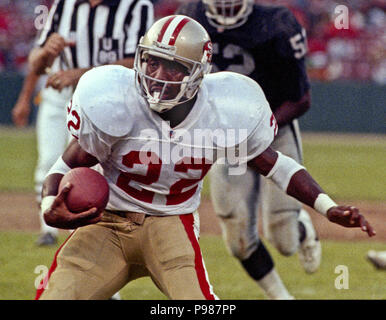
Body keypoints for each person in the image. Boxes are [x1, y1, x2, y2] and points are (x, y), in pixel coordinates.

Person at [35, 15, 375, 300]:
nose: (156, 75)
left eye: (172, 66)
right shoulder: (112, 97)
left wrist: (327, 207)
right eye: (152, 60)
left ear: (198, 72)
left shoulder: (225, 110)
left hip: (170, 226)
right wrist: (50, 204)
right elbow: (68, 163)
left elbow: (276, 165)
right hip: (105, 225)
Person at [176, 0, 320, 299]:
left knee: (285, 241)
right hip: (226, 135)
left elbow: (302, 99)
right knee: (238, 239)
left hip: (274, 128)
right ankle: (280, 296)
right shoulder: (189, 16)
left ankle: (302, 228)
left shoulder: (278, 23)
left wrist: (261, 129)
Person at [12, 0, 154, 246]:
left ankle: (84, 231)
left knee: (89, 168)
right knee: (47, 162)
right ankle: (48, 226)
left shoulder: (136, 6)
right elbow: (36, 59)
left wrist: (80, 73)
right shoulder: (64, 4)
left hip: (106, 98)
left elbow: (137, 62)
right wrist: (44, 55)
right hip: (60, 92)